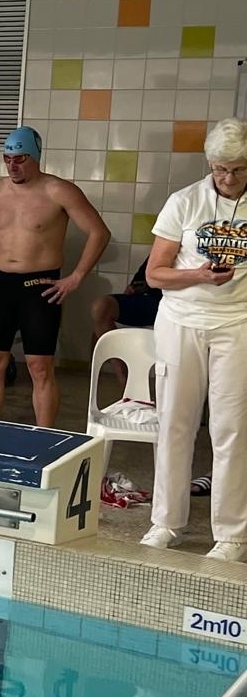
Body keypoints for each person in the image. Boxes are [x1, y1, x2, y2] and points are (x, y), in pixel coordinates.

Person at [138, 118, 247, 561]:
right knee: (175, 422)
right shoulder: (184, 201)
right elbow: (155, 274)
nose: (228, 178)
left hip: (238, 322)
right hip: (181, 320)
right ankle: (166, 522)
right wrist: (199, 275)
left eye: (238, 170)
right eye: (221, 169)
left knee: (231, 428)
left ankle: (232, 534)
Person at [0, 126, 110, 428]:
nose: (12, 166)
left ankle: (44, 435)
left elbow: (99, 232)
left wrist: (76, 277)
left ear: (36, 157)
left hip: (39, 287)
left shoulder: (58, 191)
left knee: (40, 366)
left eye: (20, 159)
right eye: (7, 159)